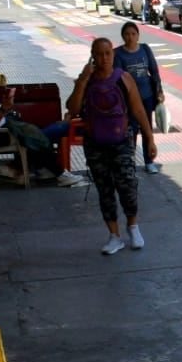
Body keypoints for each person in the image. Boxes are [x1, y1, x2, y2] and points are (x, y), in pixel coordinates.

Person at [66, 37, 157, 254]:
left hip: (122, 141)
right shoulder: (86, 81)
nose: (103, 58)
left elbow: (138, 110)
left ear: (113, 55)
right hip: (95, 143)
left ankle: (133, 226)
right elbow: (73, 108)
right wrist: (82, 80)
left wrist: (149, 138)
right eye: (99, 54)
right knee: (104, 189)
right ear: (92, 56)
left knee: (127, 183)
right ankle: (114, 235)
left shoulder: (123, 79)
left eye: (107, 53)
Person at [0, 65, 80, 186]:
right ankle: (59, 173)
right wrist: (3, 109)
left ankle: (40, 170)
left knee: (36, 133)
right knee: (35, 138)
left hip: (3, 126)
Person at [113, 21, 165, 173]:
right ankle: (131, 161)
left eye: (133, 34)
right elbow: (118, 77)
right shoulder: (118, 54)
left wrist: (159, 91)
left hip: (147, 96)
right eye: (127, 34)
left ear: (138, 35)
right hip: (129, 100)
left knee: (147, 127)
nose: (130, 37)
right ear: (123, 36)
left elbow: (154, 71)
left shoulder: (145, 49)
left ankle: (149, 161)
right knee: (132, 129)